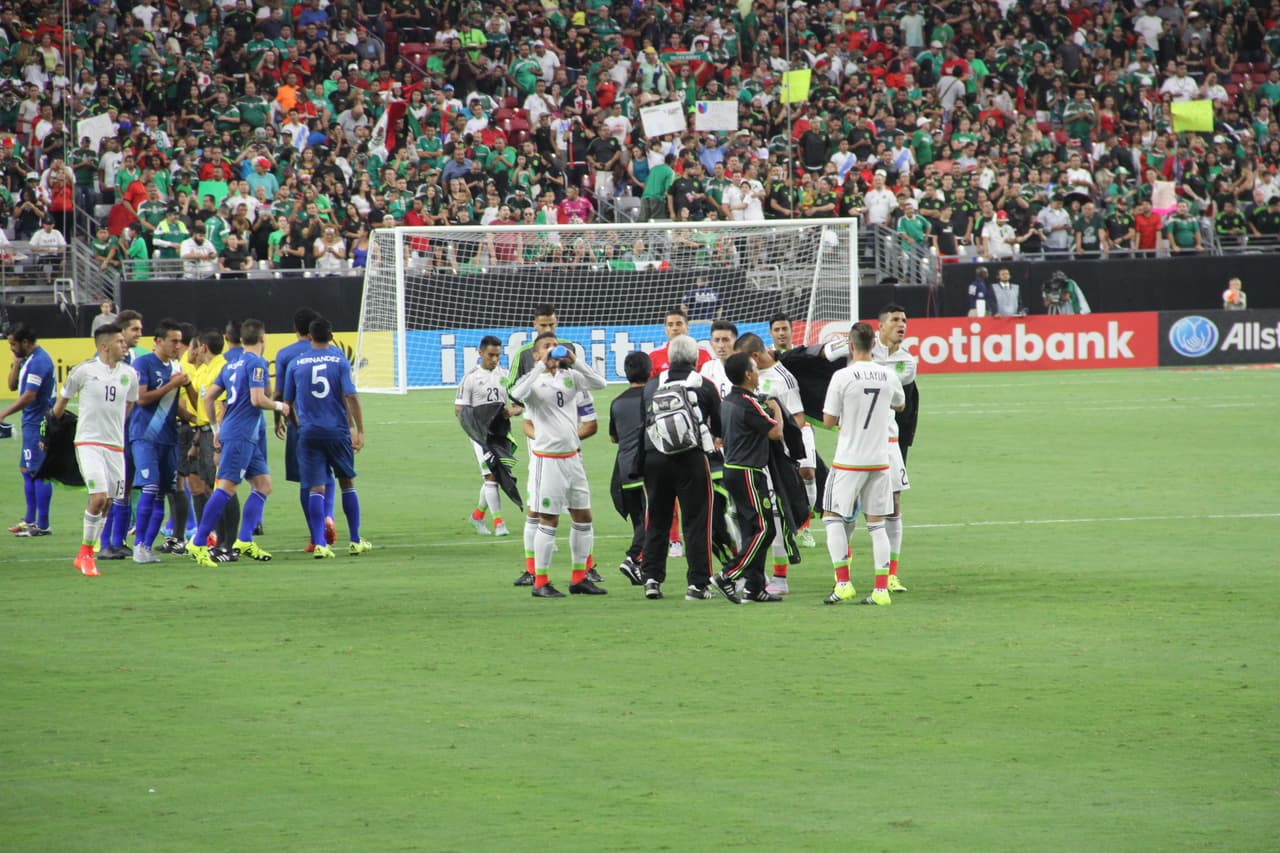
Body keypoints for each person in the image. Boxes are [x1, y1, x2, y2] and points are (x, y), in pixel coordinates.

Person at [508, 332, 608, 598]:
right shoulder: (532, 383)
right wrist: (542, 365)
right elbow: (515, 393)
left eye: (555, 346)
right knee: (548, 519)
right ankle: (541, 582)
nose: (553, 350)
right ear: (536, 354)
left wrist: (575, 362)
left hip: (573, 458)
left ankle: (579, 578)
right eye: (546, 347)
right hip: (548, 461)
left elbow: (601, 384)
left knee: (583, 516)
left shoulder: (571, 377)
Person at [187, 319, 287, 568]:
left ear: (241, 341)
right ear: (263, 339)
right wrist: (279, 406)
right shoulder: (257, 363)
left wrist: (216, 429)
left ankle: (244, 540)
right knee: (226, 488)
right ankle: (198, 542)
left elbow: (210, 397)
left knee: (263, 485)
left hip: (240, 433)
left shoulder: (232, 364)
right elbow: (257, 399)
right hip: (242, 434)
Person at [820, 322, 905, 606]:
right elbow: (900, 404)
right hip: (880, 460)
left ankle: (843, 583)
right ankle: (881, 590)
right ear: (873, 345)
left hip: (848, 461)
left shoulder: (842, 377)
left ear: (851, 345)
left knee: (831, 516)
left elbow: (829, 420)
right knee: (877, 525)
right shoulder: (887, 374)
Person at [48, 324, 138, 576]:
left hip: (115, 446)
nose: (125, 345)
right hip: (88, 442)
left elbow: (127, 408)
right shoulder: (84, 371)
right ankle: (86, 553)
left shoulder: (130, 374)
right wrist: (49, 433)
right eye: (120, 341)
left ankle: (87, 550)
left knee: (109, 501)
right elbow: (61, 404)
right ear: (105, 346)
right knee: (98, 497)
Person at [639, 334, 722, 601]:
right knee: (696, 521)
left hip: (655, 457)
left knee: (658, 518)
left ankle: (651, 579)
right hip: (692, 457)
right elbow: (719, 428)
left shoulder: (652, 385)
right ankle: (698, 584)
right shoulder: (704, 385)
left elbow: (645, 422)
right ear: (696, 359)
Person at [734, 332, 817, 589]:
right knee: (749, 514)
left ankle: (780, 577)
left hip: (776, 457)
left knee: (776, 514)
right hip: (755, 455)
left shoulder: (782, 379)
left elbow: (799, 420)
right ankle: (754, 574)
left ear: (755, 357)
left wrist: (775, 436)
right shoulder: (748, 380)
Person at [282, 318, 371, 558]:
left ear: (309, 337)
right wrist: (359, 430)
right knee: (346, 483)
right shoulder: (339, 360)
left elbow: (287, 404)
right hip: (337, 431)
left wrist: (299, 428)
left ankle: (320, 543)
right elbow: (350, 395)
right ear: (331, 336)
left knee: (316, 488)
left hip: (309, 433)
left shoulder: (296, 363)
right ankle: (354, 540)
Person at [709, 352, 785, 604]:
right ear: (748, 374)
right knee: (765, 529)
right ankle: (728, 575)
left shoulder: (728, 401)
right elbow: (775, 432)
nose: (758, 371)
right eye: (754, 367)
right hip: (747, 473)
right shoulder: (747, 403)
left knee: (751, 528)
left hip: (733, 469)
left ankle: (754, 588)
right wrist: (775, 407)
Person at [127, 319, 192, 564]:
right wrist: (172, 384)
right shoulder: (143, 363)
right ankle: (139, 545)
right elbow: (141, 399)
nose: (178, 345)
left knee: (163, 493)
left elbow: (177, 407)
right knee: (151, 487)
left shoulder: (175, 366)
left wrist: (197, 420)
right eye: (173, 340)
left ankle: (146, 548)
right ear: (158, 341)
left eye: (179, 341)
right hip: (144, 436)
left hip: (168, 439)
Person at [273, 308, 337, 551]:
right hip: (331, 422)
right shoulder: (333, 352)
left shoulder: (286, 354)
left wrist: (278, 417)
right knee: (328, 474)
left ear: (295, 329)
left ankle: (315, 534)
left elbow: (280, 394)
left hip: (300, 424)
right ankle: (328, 514)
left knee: (306, 480)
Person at [873, 304, 917, 592]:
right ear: (881, 326)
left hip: (888, 441)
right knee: (848, 510)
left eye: (904, 320)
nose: (901, 324)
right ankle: (843, 573)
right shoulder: (862, 352)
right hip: (857, 441)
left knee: (894, 502)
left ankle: (891, 574)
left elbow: (901, 404)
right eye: (895, 320)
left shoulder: (907, 362)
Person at [455, 335, 516, 537]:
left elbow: (519, 402)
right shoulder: (471, 378)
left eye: (498, 355)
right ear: (480, 353)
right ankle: (499, 524)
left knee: (497, 475)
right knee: (491, 476)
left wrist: (511, 411)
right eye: (491, 355)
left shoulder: (506, 375)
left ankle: (478, 516)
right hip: (480, 435)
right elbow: (459, 409)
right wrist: (478, 426)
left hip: (501, 433)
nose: (494, 359)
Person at [2, 323, 56, 537]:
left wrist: (3, 413)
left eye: (13, 344)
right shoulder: (27, 360)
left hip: (39, 422)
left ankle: (42, 525)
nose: (11, 348)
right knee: (27, 470)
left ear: (26, 342)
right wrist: (16, 362)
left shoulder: (40, 362)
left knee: (38, 472)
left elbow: (29, 396)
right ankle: (29, 520)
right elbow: (12, 386)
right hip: (30, 421)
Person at [609, 351, 652, 586]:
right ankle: (633, 558)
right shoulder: (652, 396)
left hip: (624, 470)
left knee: (640, 521)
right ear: (650, 371)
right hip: (646, 467)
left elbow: (614, 437)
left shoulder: (617, 402)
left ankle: (643, 570)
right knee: (653, 519)